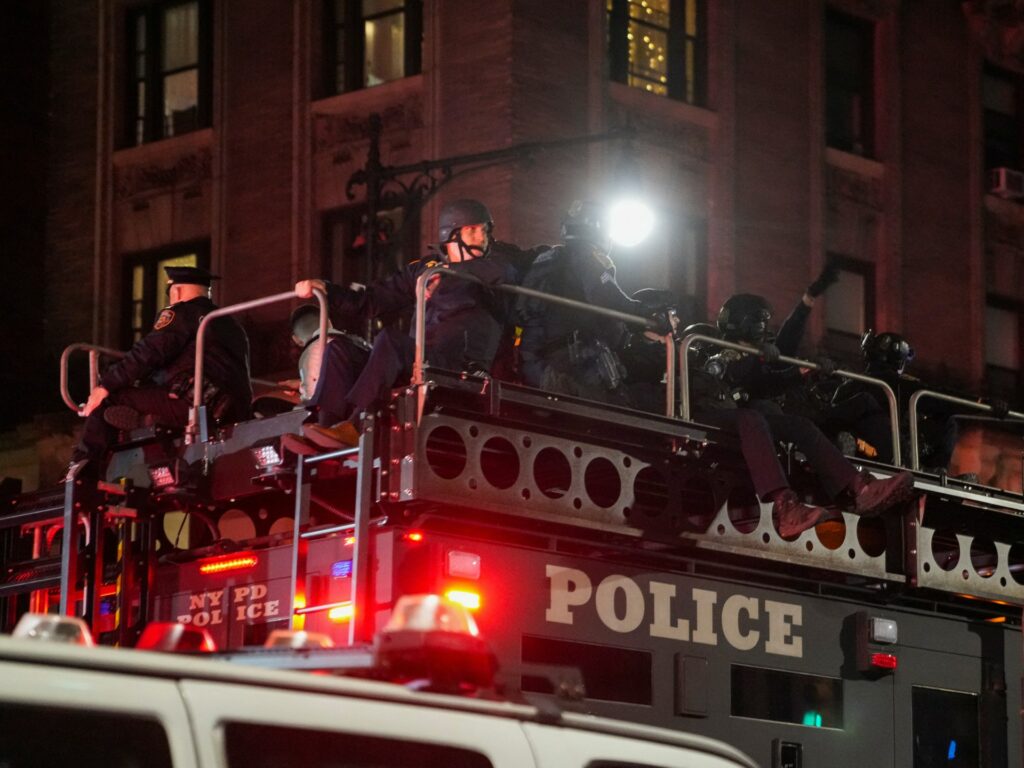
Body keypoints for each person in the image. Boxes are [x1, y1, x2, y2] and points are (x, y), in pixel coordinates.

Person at [294, 199, 541, 447]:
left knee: (390, 339)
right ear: (451, 234)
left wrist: (447, 278)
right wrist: (327, 289)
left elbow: (505, 272)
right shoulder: (425, 269)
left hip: (459, 364)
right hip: (418, 359)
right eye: (472, 230)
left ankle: (357, 425)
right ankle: (324, 431)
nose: (482, 237)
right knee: (339, 349)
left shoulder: (497, 263)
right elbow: (371, 301)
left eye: (484, 230)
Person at [689, 293, 917, 538]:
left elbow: (765, 384)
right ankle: (784, 506)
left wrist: (804, 370)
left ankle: (859, 489)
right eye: (761, 321)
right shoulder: (713, 347)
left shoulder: (755, 355)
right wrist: (759, 360)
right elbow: (726, 376)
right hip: (714, 415)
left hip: (743, 419)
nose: (765, 327)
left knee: (800, 426)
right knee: (754, 417)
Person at [68, 266, 252, 477]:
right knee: (147, 392)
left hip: (192, 406)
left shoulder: (181, 312)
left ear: (177, 291)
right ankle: (147, 419)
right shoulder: (232, 325)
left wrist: (106, 386)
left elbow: (150, 351)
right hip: (230, 411)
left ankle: (79, 471)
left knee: (109, 403)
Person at [518, 200, 659, 407]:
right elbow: (609, 298)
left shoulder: (552, 259)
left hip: (543, 365)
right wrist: (647, 314)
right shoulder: (584, 257)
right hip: (570, 367)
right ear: (599, 229)